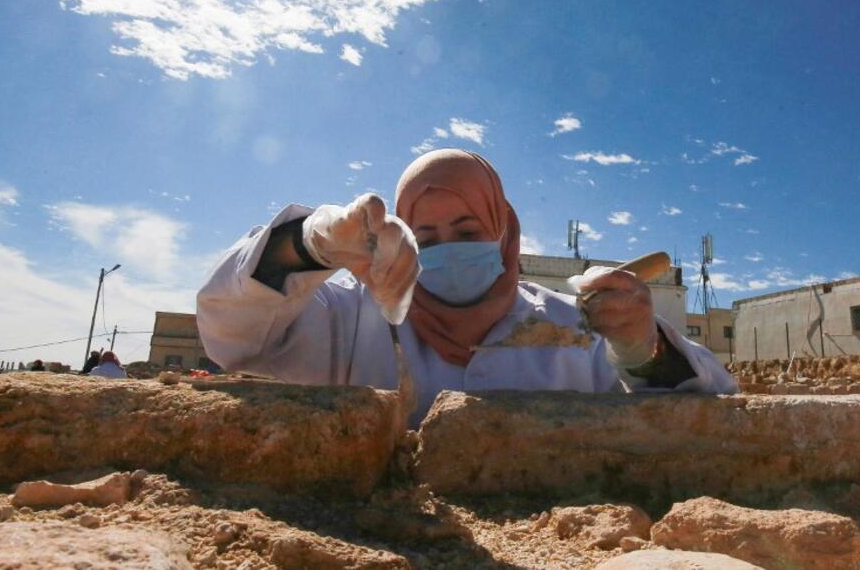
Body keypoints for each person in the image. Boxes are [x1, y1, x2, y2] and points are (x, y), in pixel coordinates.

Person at [197, 149, 737, 425]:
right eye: (425, 236)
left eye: (468, 231)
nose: (448, 250)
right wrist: (308, 244)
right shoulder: (352, 319)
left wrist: (644, 348)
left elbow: (707, 410)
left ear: (503, 232)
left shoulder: (575, 327)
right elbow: (232, 335)